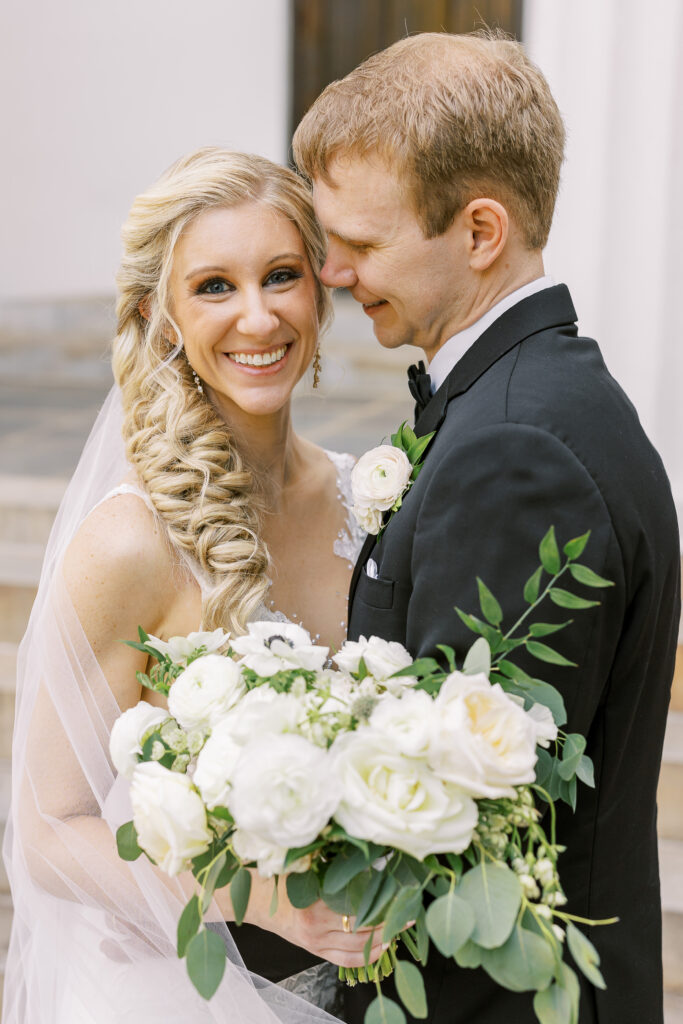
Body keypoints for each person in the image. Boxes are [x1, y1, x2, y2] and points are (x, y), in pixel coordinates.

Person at [293, 30, 681, 1024]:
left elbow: (470, 833)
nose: (332, 271)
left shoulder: (518, 456)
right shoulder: (520, 405)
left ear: (477, 232)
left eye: (363, 243)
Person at [1, 148, 375, 1023]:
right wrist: (261, 902)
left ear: (319, 295)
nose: (258, 316)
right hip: (179, 990)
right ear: (159, 317)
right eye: (214, 286)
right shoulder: (130, 543)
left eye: (281, 276)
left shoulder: (369, 500)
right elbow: (49, 828)